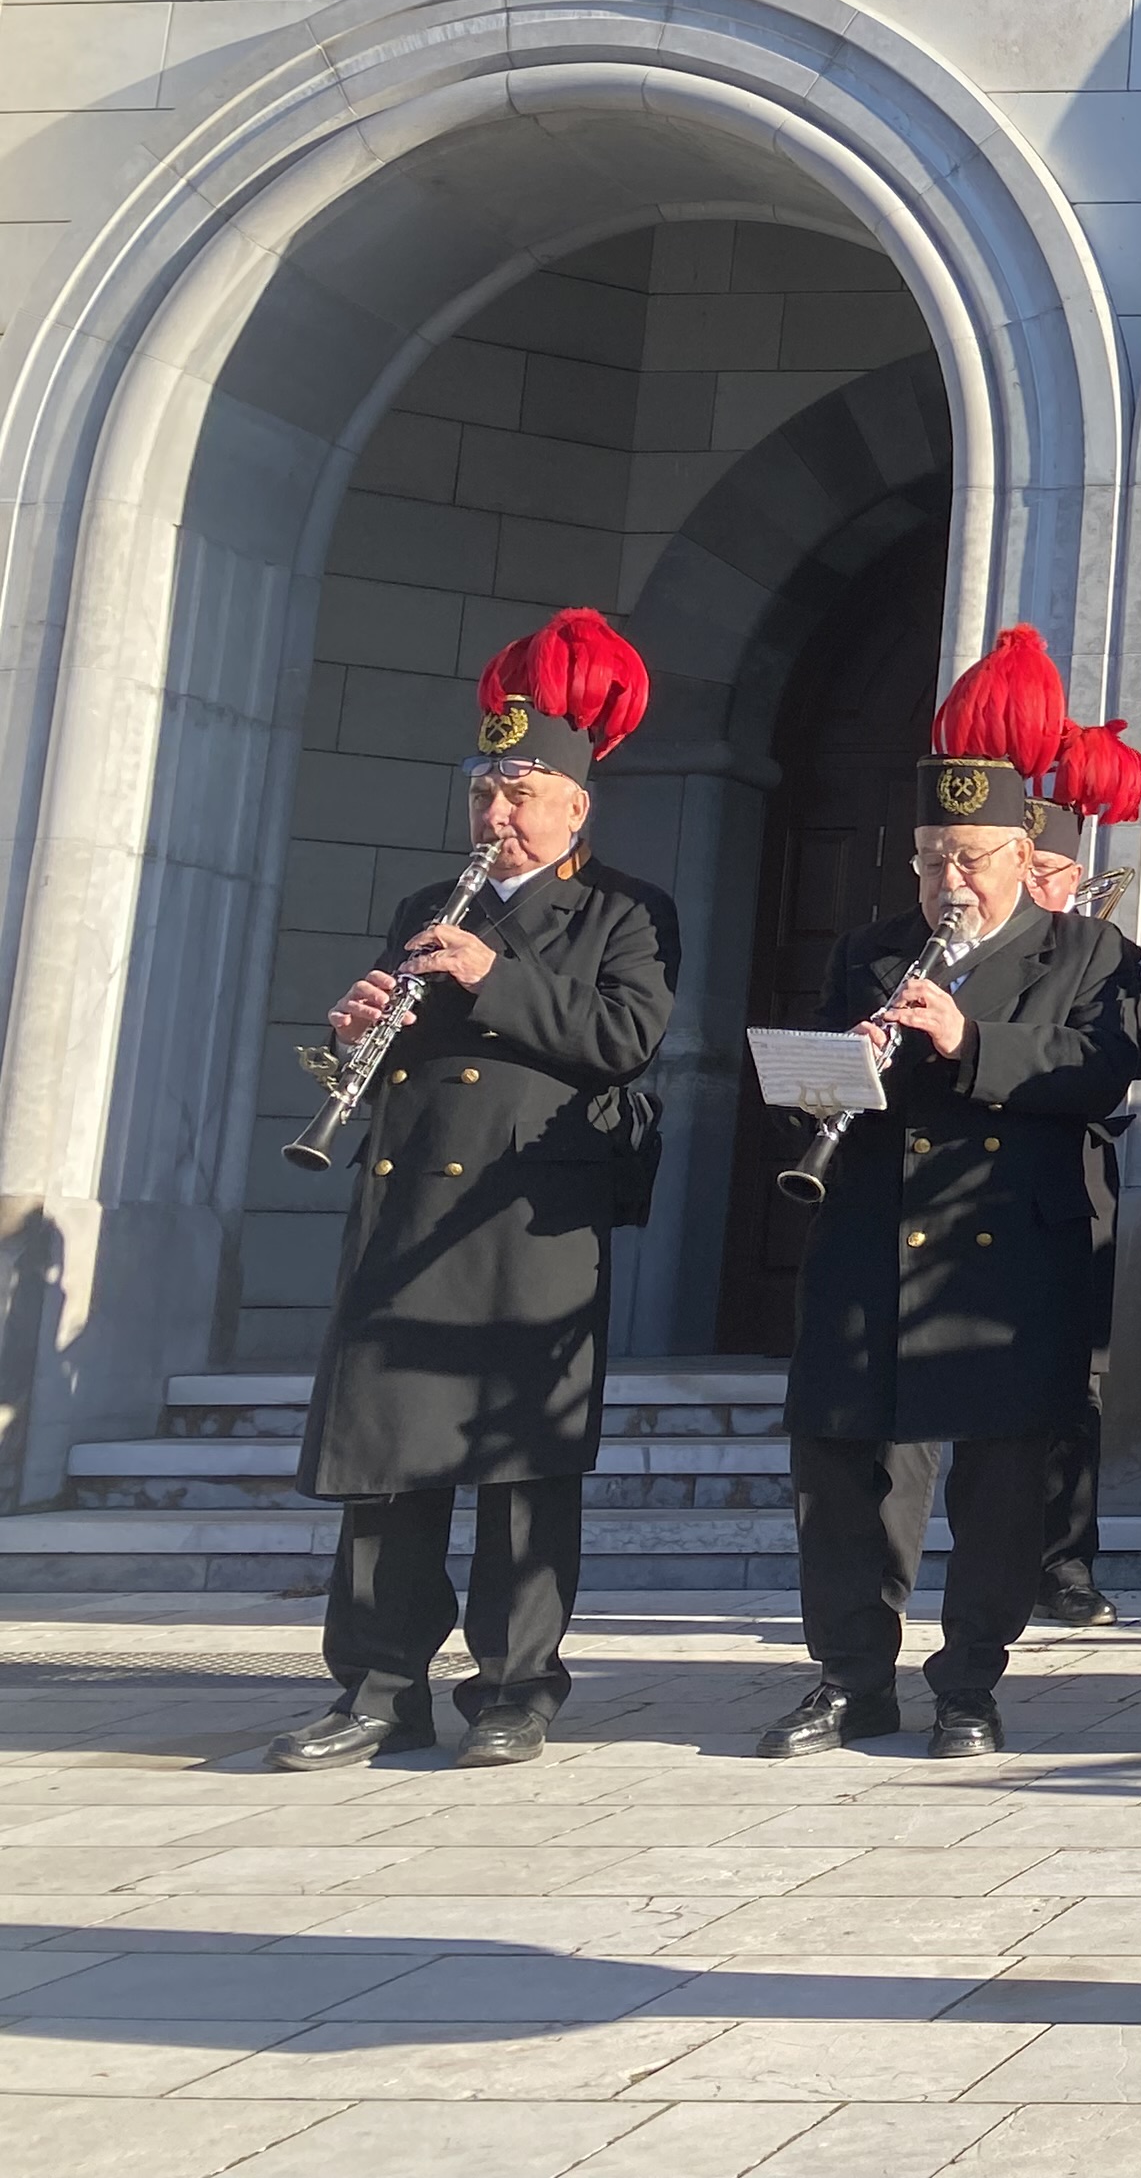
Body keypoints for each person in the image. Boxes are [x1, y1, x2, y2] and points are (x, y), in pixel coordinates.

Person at [271, 613, 678, 1773]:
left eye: (520, 792)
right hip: (407, 1209)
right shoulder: (426, 908)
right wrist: (355, 1037)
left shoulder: (625, 914)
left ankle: (516, 1684)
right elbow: (407, 1055)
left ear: (574, 806)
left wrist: (496, 973)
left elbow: (627, 1036)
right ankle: (378, 1683)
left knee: (518, 1467)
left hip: (521, 1214)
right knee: (384, 1458)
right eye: (484, 793)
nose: (495, 817)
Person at [755, 636, 1141, 1763]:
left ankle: (970, 1679)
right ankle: (848, 1676)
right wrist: (838, 1063)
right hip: (869, 1239)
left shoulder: (1086, 950)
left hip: (1003, 1255)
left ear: (1021, 852)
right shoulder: (872, 951)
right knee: (843, 1469)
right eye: (931, 857)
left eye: (971, 857)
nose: (949, 881)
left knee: (997, 1479)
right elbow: (816, 1087)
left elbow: (1112, 1065)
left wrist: (971, 1038)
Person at [1024, 716, 1141, 1633]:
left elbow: (1129, 1053)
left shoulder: (1102, 954)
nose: (1030, 888)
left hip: (1066, 1183)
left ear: (1076, 878)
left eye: (1045, 873)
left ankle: (1064, 1563)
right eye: (1015, 867)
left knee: (1072, 1385)